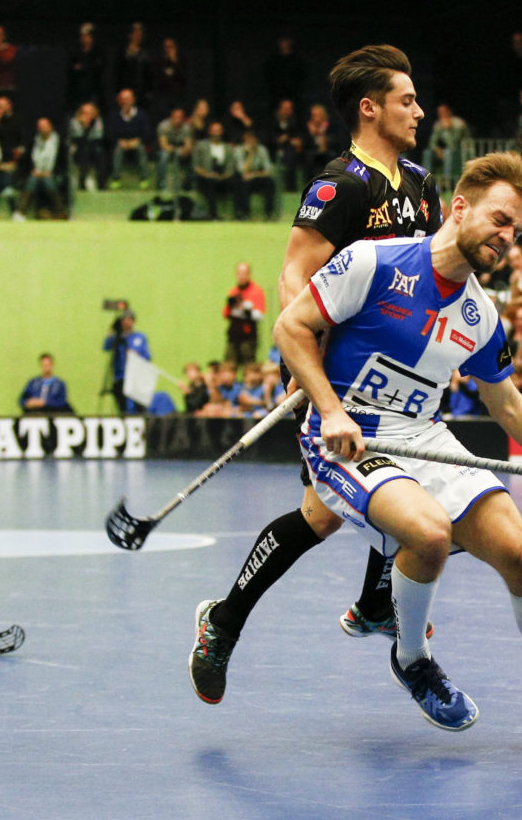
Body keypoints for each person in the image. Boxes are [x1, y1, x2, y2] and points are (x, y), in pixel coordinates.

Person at [270, 151, 522, 744]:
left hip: (425, 437)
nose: (507, 238)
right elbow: (290, 328)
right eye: (500, 220)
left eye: (517, 231)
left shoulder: (480, 313)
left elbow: (510, 406)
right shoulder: (372, 261)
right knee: (428, 533)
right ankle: (413, 658)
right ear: (460, 207)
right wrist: (330, 408)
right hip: (349, 438)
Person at [189, 46, 443, 709]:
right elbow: (295, 280)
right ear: (370, 108)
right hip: (338, 380)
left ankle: (370, 601)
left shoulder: (420, 184)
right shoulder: (340, 185)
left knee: (362, 502)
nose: (419, 110)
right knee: (330, 512)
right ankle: (228, 619)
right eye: (406, 99)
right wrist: (312, 374)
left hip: (399, 378)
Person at [102, 310, 151, 414]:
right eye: (124, 320)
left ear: (133, 321)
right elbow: (106, 347)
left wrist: (136, 355)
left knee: (138, 406)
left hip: (136, 377)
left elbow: (147, 356)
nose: (126, 322)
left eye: (129, 320)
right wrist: (112, 330)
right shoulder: (117, 338)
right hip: (120, 377)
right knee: (123, 407)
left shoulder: (140, 337)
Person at [223, 262, 266, 365]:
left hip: (248, 336)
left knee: (249, 366)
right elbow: (226, 313)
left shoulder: (257, 291)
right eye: (239, 273)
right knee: (229, 364)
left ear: (249, 274)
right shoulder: (233, 292)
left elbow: (260, 315)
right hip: (234, 336)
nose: (242, 276)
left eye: (244, 273)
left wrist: (245, 309)